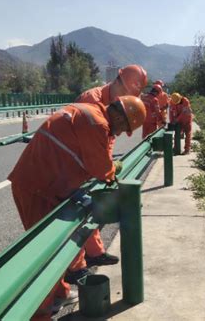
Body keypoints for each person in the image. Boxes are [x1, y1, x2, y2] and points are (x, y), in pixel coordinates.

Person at [8, 96, 146, 320]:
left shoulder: (90, 110)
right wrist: (115, 168)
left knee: (57, 247)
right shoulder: (97, 123)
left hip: (46, 183)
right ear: (119, 115)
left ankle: (60, 293)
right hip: (37, 187)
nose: (120, 133)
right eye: (123, 127)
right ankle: (40, 314)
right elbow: (103, 169)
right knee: (47, 252)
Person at [73, 64, 148, 272]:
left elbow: (108, 138)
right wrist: (106, 170)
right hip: (77, 160)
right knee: (75, 213)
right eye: (125, 93)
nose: (125, 99)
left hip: (91, 157)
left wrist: (108, 166)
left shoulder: (115, 106)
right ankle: (74, 272)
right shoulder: (92, 101)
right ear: (117, 81)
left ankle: (95, 253)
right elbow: (89, 141)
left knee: (90, 206)